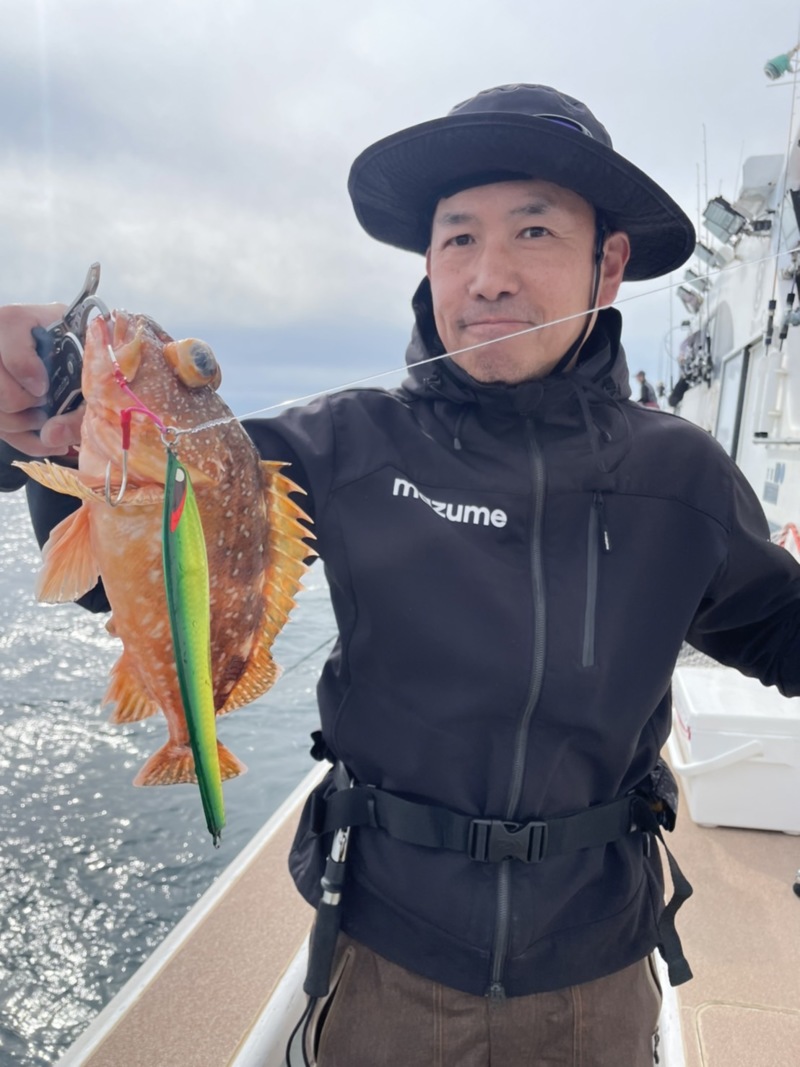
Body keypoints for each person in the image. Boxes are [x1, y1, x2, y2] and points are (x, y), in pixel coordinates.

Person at [3, 85, 800, 1067]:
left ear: (609, 262)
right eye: (458, 237)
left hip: (594, 967)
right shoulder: (342, 441)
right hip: (386, 952)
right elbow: (137, 551)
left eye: (534, 231)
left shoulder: (679, 474)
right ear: (427, 263)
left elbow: (779, 629)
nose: (489, 275)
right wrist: (52, 408)